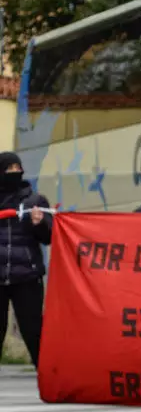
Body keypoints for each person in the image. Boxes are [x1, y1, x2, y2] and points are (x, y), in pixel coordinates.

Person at [0, 153, 51, 367]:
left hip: (27, 276)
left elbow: (48, 237)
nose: (14, 172)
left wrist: (39, 223)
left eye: (17, 168)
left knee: (33, 329)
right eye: (8, 168)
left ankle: (47, 373)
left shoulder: (35, 201)